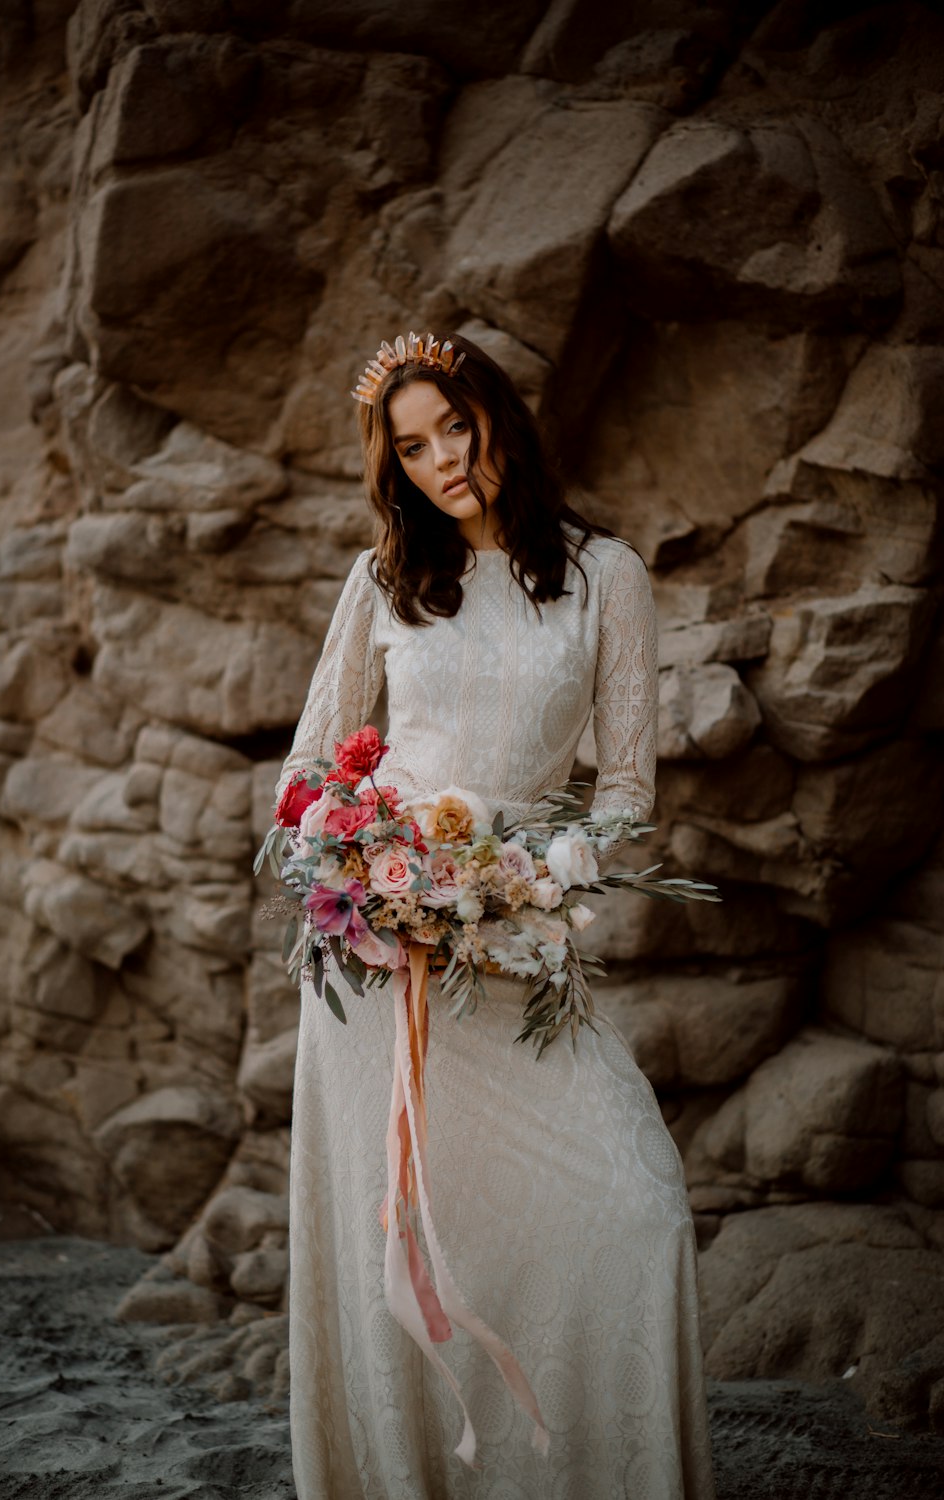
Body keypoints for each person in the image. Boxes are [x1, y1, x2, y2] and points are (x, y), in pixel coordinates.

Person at [274, 330, 716, 1498]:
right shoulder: (382, 580)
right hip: (382, 963)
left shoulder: (603, 575)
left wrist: (541, 872)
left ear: (495, 419)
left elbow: (623, 793)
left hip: (515, 943)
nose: (439, 461)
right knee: (406, 1237)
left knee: (638, 1214)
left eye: (453, 428)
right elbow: (311, 770)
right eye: (410, 447)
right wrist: (363, 862)